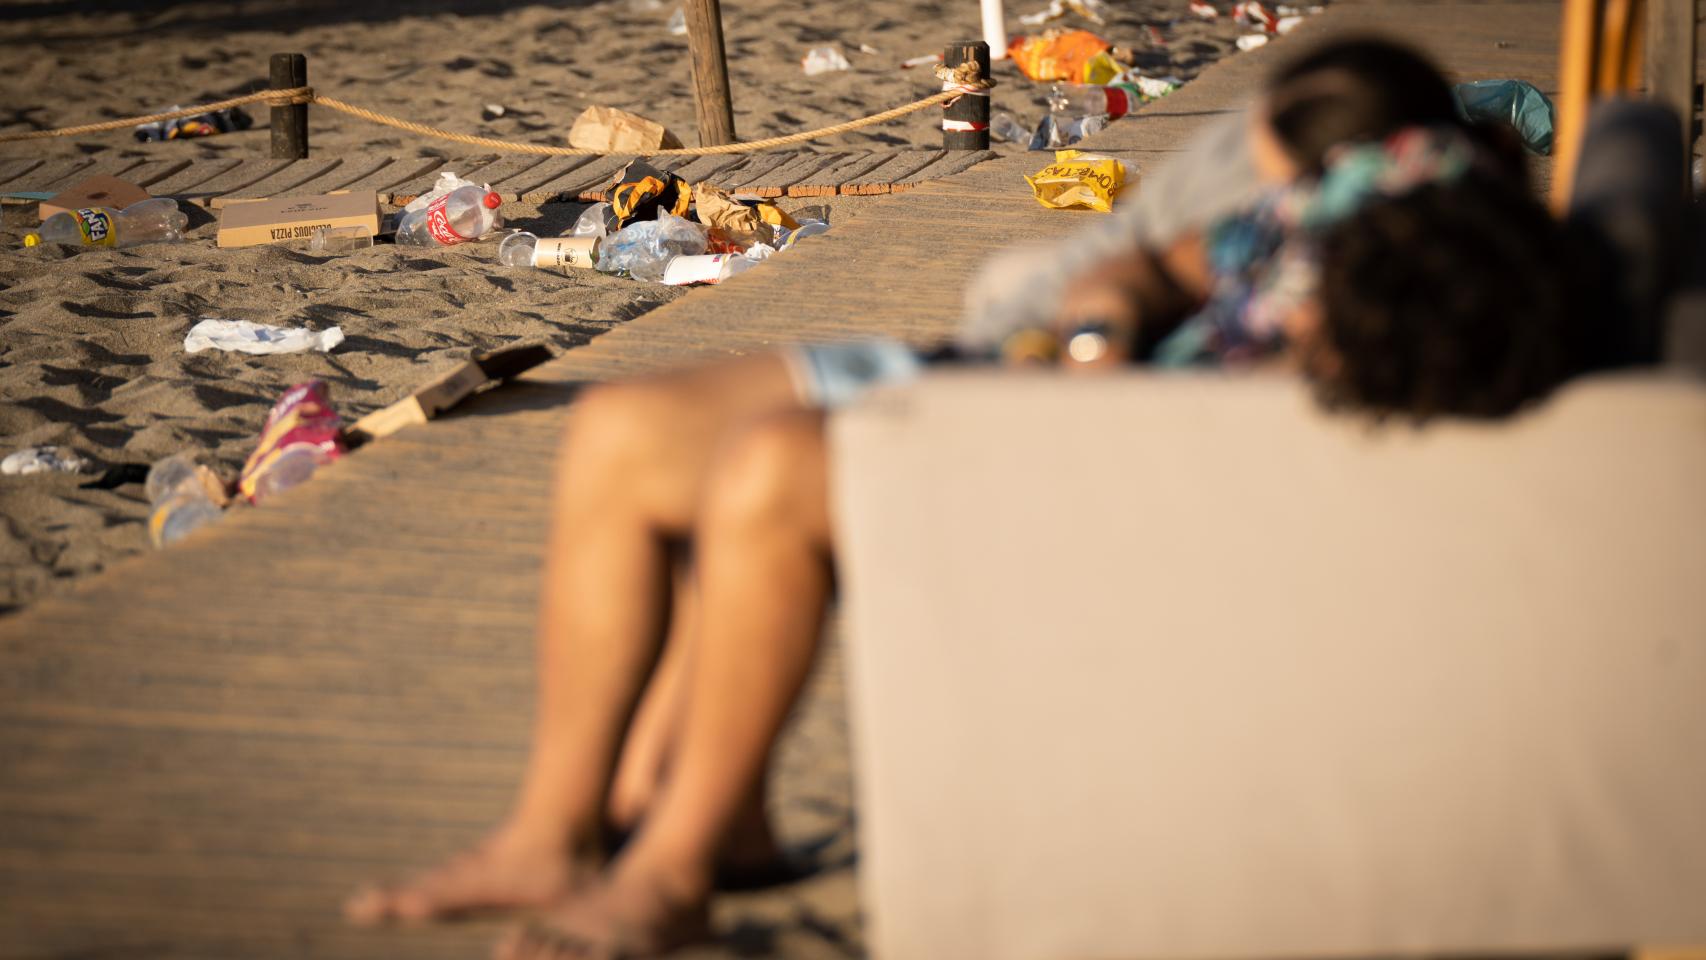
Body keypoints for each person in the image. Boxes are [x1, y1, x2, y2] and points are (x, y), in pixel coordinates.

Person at [346, 37, 1606, 958]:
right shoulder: (1311, 229)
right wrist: (1099, 322)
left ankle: (670, 869)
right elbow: (1151, 268)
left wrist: (1090, 366)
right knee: (622, 432)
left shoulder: (1402, 301)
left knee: (770, 465)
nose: (1250, 191)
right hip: (1048, 393)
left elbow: (1258, 444)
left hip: (1097, 464)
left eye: (1268, 169)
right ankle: (552, 832)